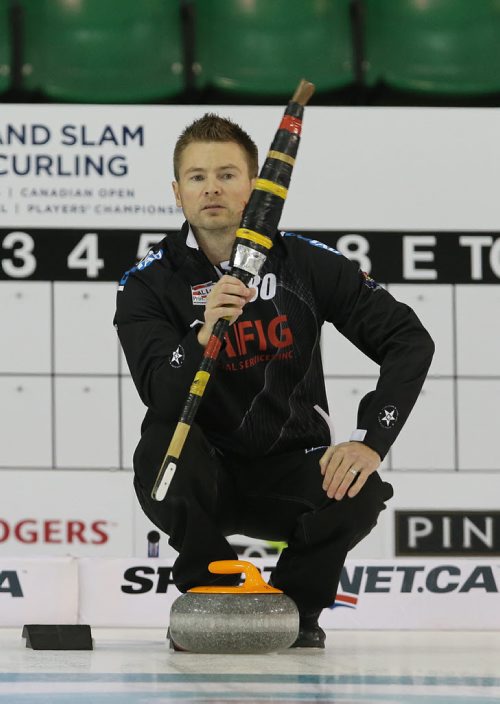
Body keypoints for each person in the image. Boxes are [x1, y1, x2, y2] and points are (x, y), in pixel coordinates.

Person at [114, 113, 434, 648]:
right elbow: (159, 391)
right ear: (177, 192)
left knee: (360, 489)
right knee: (161, 451)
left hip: (288, 466)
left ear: (257, 186)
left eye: (227, 174)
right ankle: (212, 590)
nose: (211, 187)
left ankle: (294, 611)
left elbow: (409, 341)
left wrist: (371, 442)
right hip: (201, 473)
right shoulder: (147, 283)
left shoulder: (307, 264)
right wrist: (202, 332)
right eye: (196, 177)